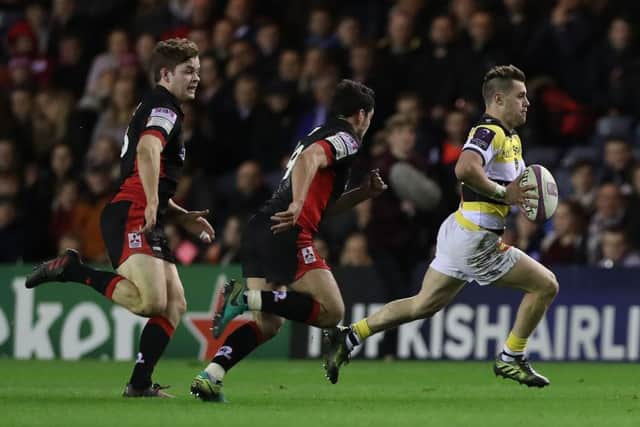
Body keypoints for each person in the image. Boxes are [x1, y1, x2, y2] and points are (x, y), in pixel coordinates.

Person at [323, 65, 559, 388]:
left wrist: (513, 197)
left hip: (462, 230)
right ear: (499, 99)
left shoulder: (511, 136)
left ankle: (350, 336)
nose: (527, 102)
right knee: (546, 285)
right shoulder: (489, 132)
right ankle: (511, 357)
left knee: (423, 304)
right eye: (521, 96)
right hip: (477, 239)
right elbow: (464, 168)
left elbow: (498, 183)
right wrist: (507, 193)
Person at [25, 38, 214, 398]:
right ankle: (73, 270)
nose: (196, 78)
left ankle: (139, 384)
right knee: (151, 302)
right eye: (188, 71)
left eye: (199, 71)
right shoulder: (165, 107)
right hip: (131, 214)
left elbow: (147, 173)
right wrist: (155, 201)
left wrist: (181, 214)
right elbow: (147, 149)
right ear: (164, 73)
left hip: (145, 213)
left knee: (174, 305)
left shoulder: (166, 107)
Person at [190, 79, 387, 402]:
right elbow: (310, 159)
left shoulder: (320, 133)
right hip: (287, 229)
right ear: (362, 115)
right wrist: (296, 203)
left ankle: (210, 376)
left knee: (267, 325)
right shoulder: (347, 139)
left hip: (260, 226)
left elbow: (324, 205)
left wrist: (364, 193)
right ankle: (244, 298)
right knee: (332, 312)